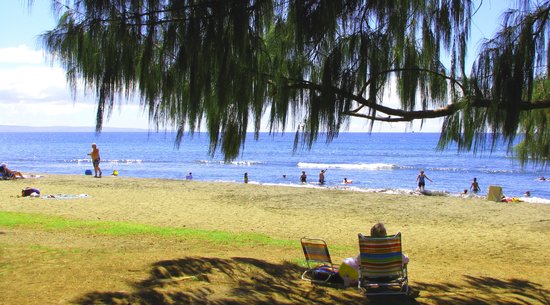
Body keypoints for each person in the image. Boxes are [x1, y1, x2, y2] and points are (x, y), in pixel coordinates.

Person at [338, 223, 409, 287]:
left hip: (370, 277)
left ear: (371, 236)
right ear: (386, 235)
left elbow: (357, 262)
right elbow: (405, 260)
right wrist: (406, 257)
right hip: (391, 276)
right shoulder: (393, 250)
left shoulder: (367, 250)